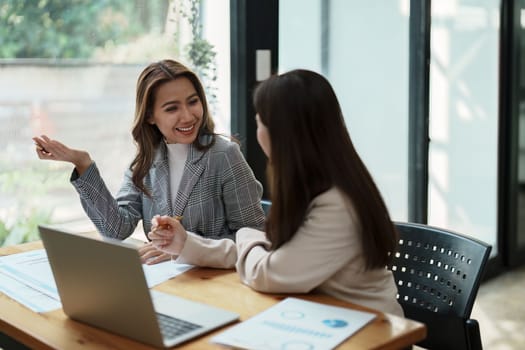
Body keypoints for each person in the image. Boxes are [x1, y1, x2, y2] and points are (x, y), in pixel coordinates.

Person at [33, 59, 266, 267]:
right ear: (150, 116)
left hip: (216, 283)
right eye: (172, 108)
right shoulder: (145, 162)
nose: (187, 116)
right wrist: (83, 164)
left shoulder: (223, 155)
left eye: (193, 102)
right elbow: (116, 230)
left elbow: (252, 236)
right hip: (166, 281)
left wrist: (185, 248)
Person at [234, 69, 403, 315]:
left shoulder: (338, 205)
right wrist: (189, 245)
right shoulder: (313, 185)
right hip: (323, 316)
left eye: (259, 121)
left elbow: (267, 273)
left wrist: (245, 235)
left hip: (370, 332)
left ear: (283, 134)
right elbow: (275, 254)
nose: (257, 132)